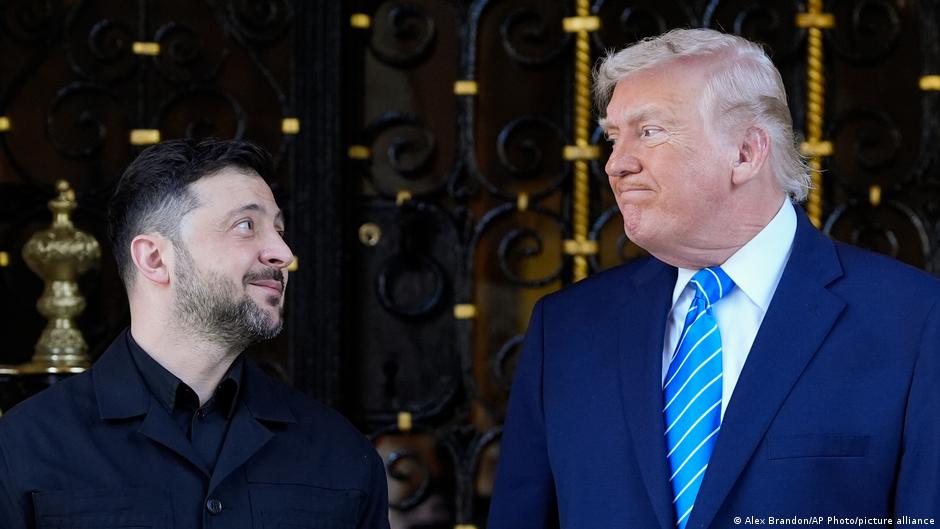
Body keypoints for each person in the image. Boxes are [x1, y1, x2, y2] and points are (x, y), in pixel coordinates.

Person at [488, 28, 939, 529]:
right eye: (614, 138)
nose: (616, 164)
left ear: (746, 153)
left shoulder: (915, 320)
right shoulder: (565, 329)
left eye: (649, 131)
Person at [0, 138, 390, 528]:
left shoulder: (342, 454)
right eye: (246, 225)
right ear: (155, 258)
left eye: (279, 229)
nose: (283, 253)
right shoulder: (22, 448)